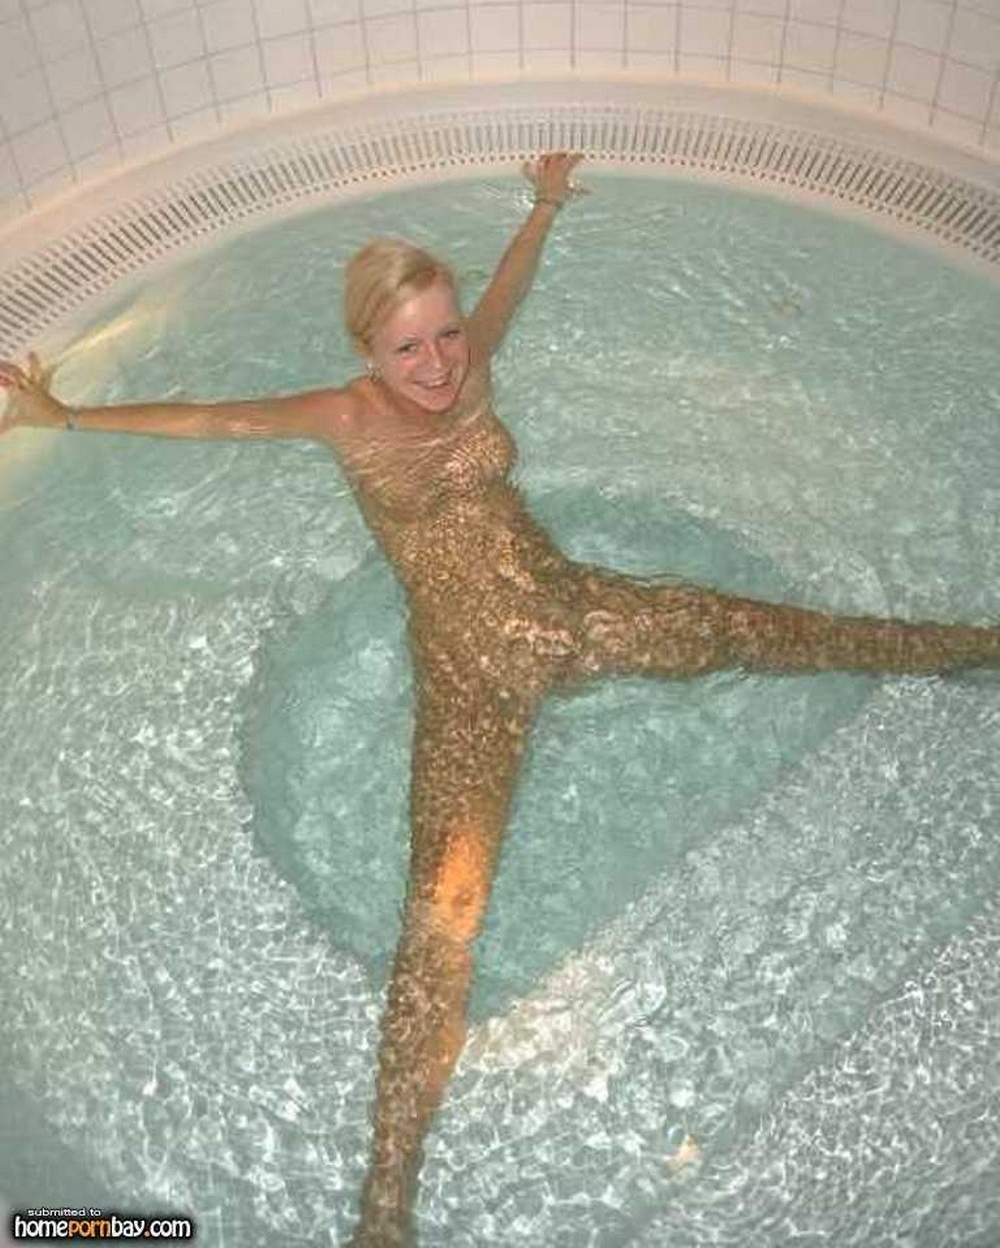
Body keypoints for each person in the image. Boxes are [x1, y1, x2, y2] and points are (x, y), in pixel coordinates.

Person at [2, 153, 998, 1246]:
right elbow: (210, 421)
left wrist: (543, 206)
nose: (437, 363)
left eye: (444, 334)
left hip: (578, 611)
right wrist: (63, 415)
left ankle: (973, 648)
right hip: (472, 680)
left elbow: (507, 293)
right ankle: (386, 1203)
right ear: (366, 351)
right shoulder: (348, 417)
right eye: (408, 347)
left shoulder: (466, 362)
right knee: (442, 919)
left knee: (774, 630)